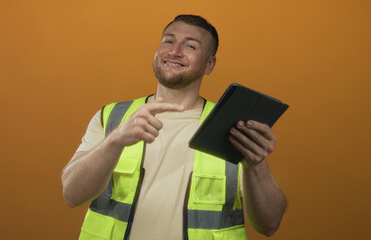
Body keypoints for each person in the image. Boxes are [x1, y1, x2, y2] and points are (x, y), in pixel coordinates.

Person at [62, 14, 286, 240]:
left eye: (190, 46)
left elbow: (269, 224)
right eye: (168, 41)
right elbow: (72, 195)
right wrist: (115, 139)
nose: (175, 51)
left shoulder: (232, 126)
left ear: (209, 64)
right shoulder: (112, 117)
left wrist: (255, 165)